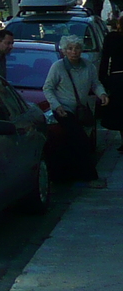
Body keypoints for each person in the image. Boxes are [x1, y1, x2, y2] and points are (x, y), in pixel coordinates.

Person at [42, 35, 109, 188]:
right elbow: (48, 88)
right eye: (70, 49)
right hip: (64, 110)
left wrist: (102, 94)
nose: (74, 52)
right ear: (64, 51)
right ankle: (90, 176)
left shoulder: (88, 66)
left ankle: (69, 175)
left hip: (81, 110)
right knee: (80, 140)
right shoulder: (58, 67)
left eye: (77, 48)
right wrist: (57, 105)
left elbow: (95, 84)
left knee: (75, 141)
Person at [101, 17, 123, 140]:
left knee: (120, 110)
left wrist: (103, 78)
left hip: (117, 77)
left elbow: (105, 58)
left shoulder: (111, 37)